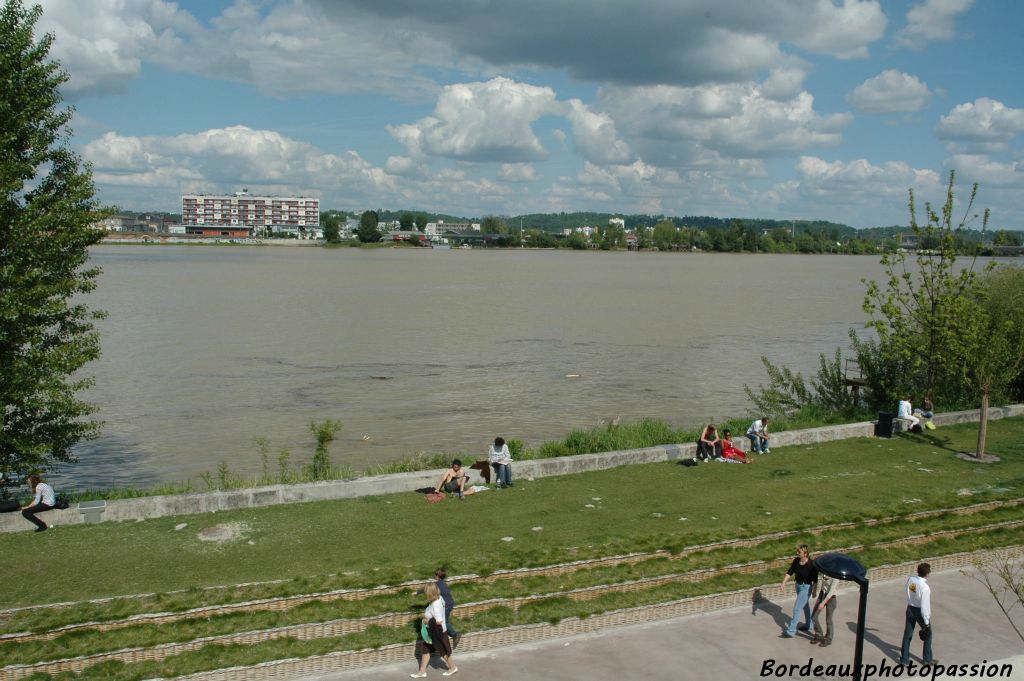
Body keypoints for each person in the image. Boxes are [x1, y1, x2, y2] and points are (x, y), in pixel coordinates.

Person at [411, 582, 457, 677]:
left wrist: (427, 621)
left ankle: (452, 667)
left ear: (430, 593)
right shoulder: (439, 597)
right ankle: (422, 671)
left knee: (442, 651)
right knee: (426, 650)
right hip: (431, 632)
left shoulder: (435, 605)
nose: (425, 594)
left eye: (426, 592)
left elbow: (439, 621)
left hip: (437, 632)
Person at [899, 562, 936, 666]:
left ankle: (904, 659)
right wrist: (927, 621)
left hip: (910, 608)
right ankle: (927, 659)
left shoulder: (911, 580)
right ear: (927, 573)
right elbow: (925, 606)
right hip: (919, 611)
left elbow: (910, 590)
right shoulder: (925, 587)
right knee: (928, 634)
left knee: (907, 634)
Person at [781, 544, 817, 638]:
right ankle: (809, 625)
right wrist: (783, 583)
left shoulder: (811, 565)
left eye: (799, 552)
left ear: (805, 554)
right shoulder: (796, 560)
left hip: (806, 587)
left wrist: (814, 591)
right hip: (798, 585)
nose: (797, 553)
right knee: (805, 605)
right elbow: (790, 571)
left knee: (797, 608)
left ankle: (791, 631)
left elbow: (815, 580)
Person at [811, 573, 841, 646]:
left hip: (831, 598)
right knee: (814, 617)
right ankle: (819, 634)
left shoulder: (836, 576)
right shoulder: (822, 572)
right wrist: (814, 591)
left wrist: (823, 603)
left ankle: (828, 638)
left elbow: (831, 591)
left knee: (828, 619)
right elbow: (818, 581)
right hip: (822, 595)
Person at [435, 568, 461, 648]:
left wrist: (417, 592)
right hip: (449, 603)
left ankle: (455, 634)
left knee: (444, 621)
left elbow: (427, 589)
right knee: (443, 620)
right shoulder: (443, 583)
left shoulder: (437, 584)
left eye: (435, 574)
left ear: (437, 576)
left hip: (446, 605)